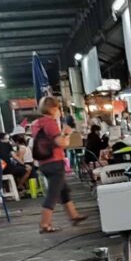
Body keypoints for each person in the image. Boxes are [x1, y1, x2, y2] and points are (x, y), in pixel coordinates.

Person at [31, 96, 87, 233]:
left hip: (44, 163)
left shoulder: (36, 124)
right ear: (52, 108)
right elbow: (61, 143)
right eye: (57, 108)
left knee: (64, 190)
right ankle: (45, 224)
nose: (59, 111)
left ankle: (74, 216)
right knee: (53, 194)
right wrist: (66, 134)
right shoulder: (50, 123)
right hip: (55, 162)